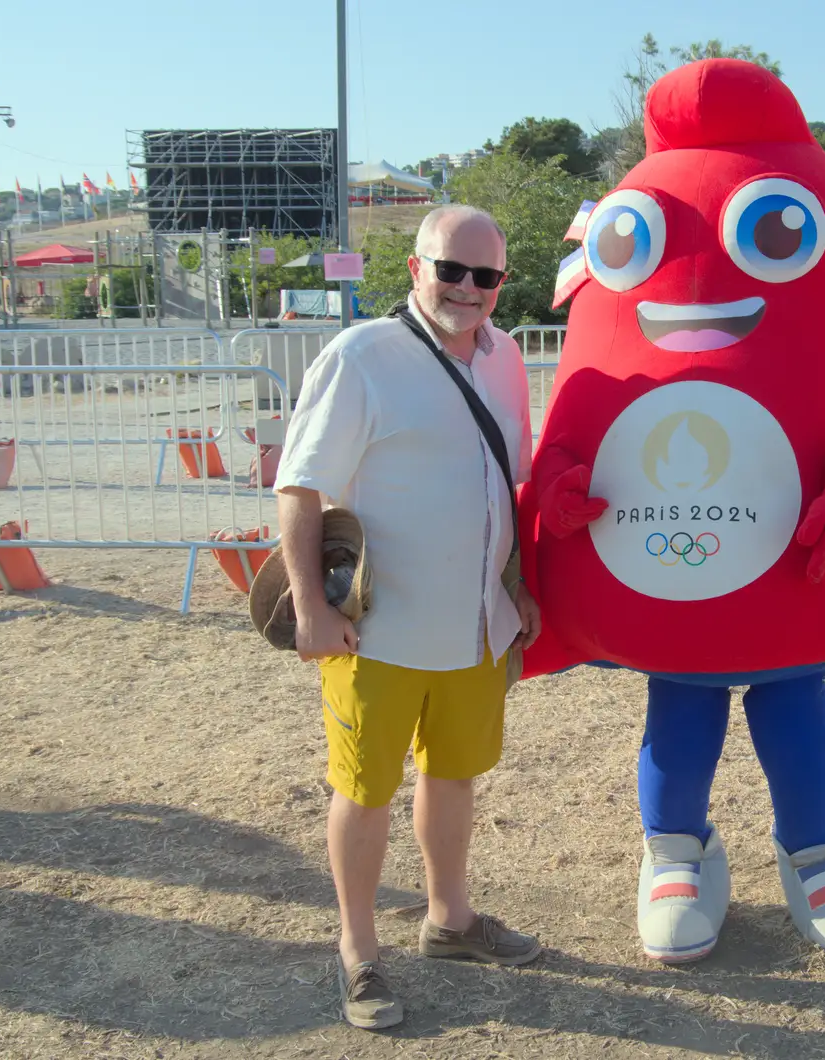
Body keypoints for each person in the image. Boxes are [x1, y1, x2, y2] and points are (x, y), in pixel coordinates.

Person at [274, 205, 542, 1031]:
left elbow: (511, 484)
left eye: (485, 276)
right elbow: (300, 484)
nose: (466, 288)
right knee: (365, 789)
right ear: (416, 267)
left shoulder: (505, 362)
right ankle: (357, 951)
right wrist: (313, 609)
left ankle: (449, 919)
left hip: (472, 626)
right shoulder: (363, 356)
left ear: (501, 284)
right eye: (449, 270)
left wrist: (520, 596)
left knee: (453, 774)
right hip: (378, 629)